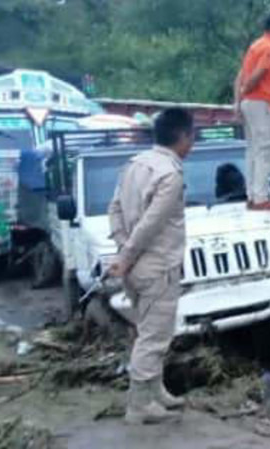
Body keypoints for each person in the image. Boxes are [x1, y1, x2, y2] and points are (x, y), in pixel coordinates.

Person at [106, 108, 195, 425]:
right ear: (183, 136)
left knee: (149, 331)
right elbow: (150, 224)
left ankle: (156, 392)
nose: (192, 143)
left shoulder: (135, 164)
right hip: (157, 267)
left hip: (135, 269)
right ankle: (139, 405)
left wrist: (122, 250)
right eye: (192, 136)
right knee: (153, 338)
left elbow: (114, 209)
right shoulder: (169, 174)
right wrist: (127, 255)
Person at [234, 13, 270, 211]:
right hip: (263, 102)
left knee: (253, 149)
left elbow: (241, 75)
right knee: (266, 148)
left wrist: (239, 100)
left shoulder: (255, 46)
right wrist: (247, 90)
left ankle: (252, 195)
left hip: (250, 103)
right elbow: (258, 74)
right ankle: (261, 197)